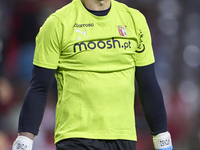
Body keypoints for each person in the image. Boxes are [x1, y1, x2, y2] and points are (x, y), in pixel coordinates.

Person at [12, 0, 173, 149]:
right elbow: (39, 87)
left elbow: (148, 84)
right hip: (75, 137)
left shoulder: (134, 20)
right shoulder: (58, 23)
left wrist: (162, 137)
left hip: (124, 137)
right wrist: (24, 141)